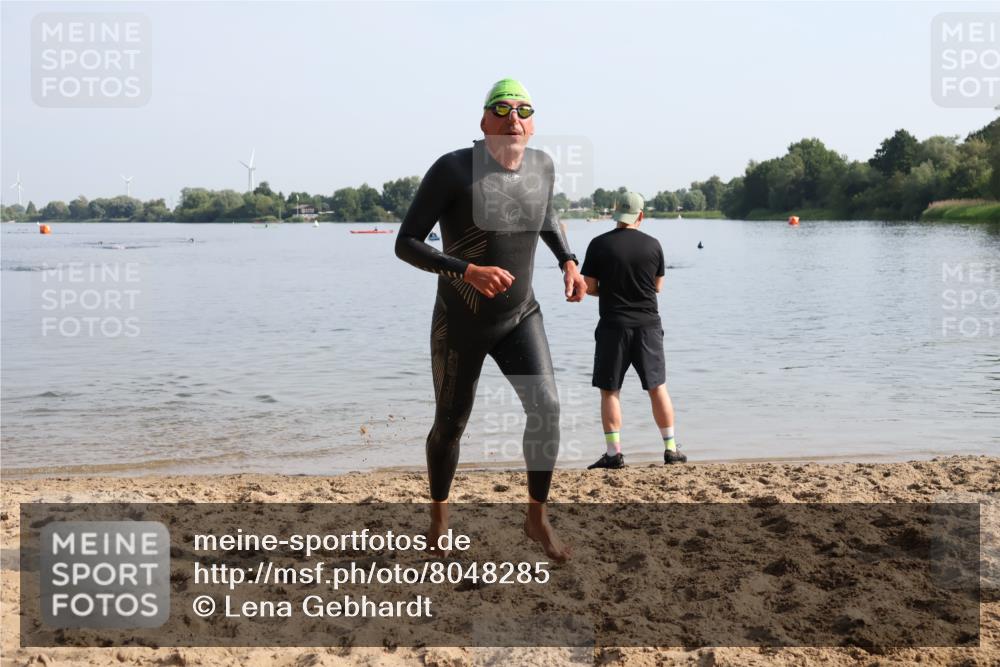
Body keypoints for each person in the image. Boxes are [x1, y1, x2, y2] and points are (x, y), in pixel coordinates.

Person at [395, 78, 587, 562]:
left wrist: (567, 259)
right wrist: (467, 271)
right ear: (484, 122)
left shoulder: (542, 165)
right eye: (502, 110)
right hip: (461, 318)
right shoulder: (454, 169)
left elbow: (546, 215)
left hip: (521, 314)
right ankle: (439, 519)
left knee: (546, 410)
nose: (513, 119)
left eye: (524, 109)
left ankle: (536, 518)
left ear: (533, 122)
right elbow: (407, 243)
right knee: (450, 424)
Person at [580, 192, 687, 469]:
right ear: (640, 215)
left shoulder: (598, 244)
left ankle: (614, 454)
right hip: (648, 326)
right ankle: (671, 449)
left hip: (613, 326)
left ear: (616, 214)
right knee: (657, 387)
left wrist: (611, 292)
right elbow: (658, 287)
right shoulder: (653, 245)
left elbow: (589, 287)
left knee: (610, 390)